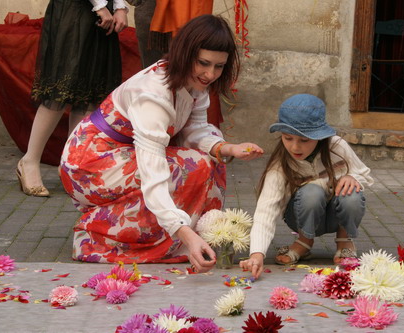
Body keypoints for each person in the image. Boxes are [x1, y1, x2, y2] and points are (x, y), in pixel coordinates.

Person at [59, 15, 264, 273]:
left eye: (219, 66)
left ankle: (189, 237)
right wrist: (184, 233)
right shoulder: (152, 94)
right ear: (185, 53)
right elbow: (153, 171)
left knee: (211, 160)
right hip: (89, 161)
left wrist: (227, 149)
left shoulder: (194, 81)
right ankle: (102, 237)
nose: (210, 74)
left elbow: (195, 128)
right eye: (203, 63)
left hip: (123, 155)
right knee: (192, 165)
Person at [239, 94, 373, 279]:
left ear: (320, 136)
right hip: (301, 215)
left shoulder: (337, 146)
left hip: (336, 214)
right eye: (288, 138)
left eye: (304, 140)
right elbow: (266, 210)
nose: (295, 147)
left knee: (352, 195)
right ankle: (304, 242)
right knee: (311, 192)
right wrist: (256, 253)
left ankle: (344, 242)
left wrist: (352, 177)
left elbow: (364, 173)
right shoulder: (280, 164)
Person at [16, 0, 128, 197]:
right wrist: (100, 6)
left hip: (102, 13)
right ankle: (29, 161)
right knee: (60, 90)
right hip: (74, 9)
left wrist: (119, 6)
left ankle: (70, 166)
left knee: (89, 94)